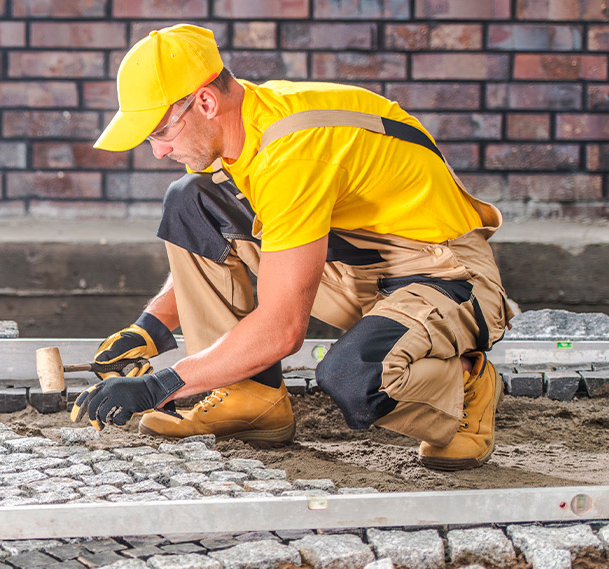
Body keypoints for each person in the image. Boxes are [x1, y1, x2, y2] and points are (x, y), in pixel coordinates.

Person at [70, 24, 511, 471]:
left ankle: (465, 387)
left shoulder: (294, 152)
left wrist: (158, 386)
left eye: (159, 131)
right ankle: (250, 396)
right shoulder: (250, 125)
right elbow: (228, 240)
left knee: (352, 378)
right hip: (353, 260)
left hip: (444, 276)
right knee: (193, 200)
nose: (158, 151)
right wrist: (149, 330)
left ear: (204, 101)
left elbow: (283, 330)